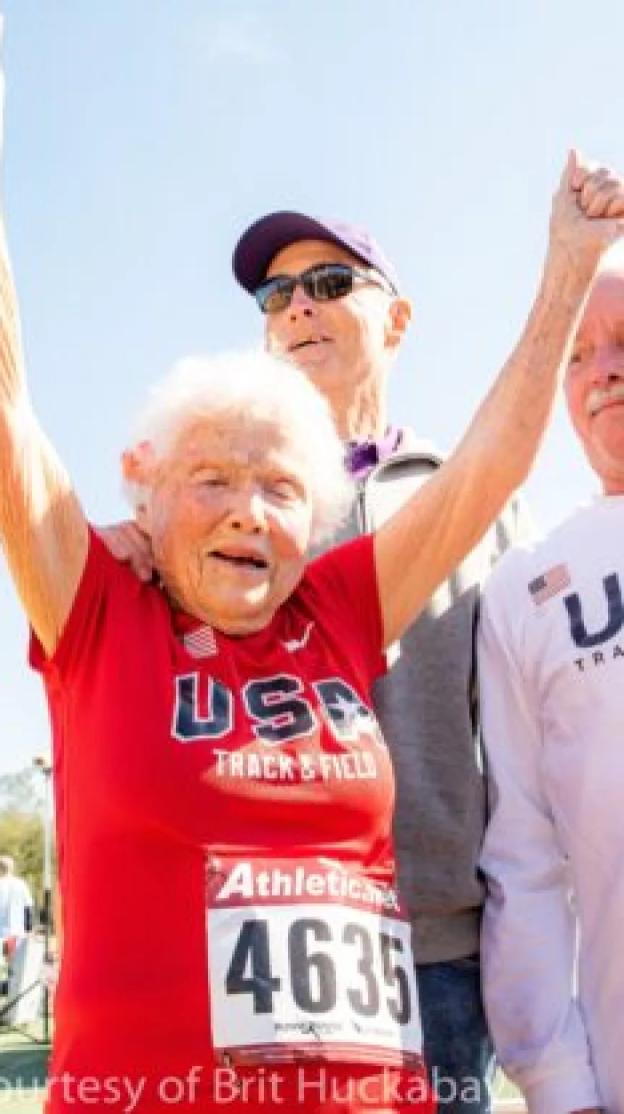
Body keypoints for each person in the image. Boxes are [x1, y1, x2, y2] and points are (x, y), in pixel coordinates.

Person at [0, 12, 624, 1112]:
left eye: (281, 489)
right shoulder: (101, 610)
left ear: (321, 509)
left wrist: (566, 268)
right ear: (146, 492)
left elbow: (484, 464)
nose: (247, 512)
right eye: (211, 480)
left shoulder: (336, 601)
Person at [225, 218, 530, 1112]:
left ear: (395, 321)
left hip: (434, 944)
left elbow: (515, 728)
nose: (299, 309)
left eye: (327, 283)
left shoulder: (467, 495)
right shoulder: (221, 501)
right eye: (276, 295)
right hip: (264, 932)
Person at [478, 254, 624, 1114]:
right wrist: (556, 1084)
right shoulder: (526, 582)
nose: (603, 372)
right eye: (579, 352)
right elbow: (523, 858)